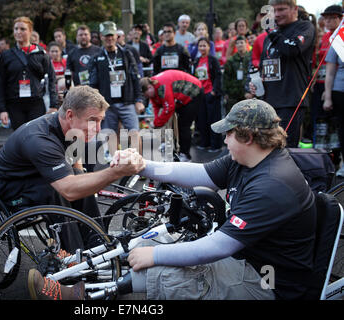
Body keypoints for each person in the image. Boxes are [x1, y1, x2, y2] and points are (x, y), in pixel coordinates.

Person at [125, 98, 317, 300]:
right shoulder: (249, 158)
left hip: (268, 280)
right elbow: (198, 173)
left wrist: (156, 256)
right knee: (148, 244)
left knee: (167, 277)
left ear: (248, 137)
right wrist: (143, 165)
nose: (224, 140)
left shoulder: (271, 185)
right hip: (245, 259)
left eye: (229, 133)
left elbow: (219, 246)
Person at [0, 86, 144, 250]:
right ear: (70, 115)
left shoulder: (72, 127)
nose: (99, 128)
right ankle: (72, 258)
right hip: (4, 188)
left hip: (31, 176)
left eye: (101, 120)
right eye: (93, 120)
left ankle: (98, 244)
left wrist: (82, 177)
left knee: (80, 179)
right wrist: (116, 172)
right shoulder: (40, 140)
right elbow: (68, 190)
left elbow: (76, 161)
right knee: (59, 190)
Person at [250, 0, 315, 148]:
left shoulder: (304, 27)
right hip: (268, 102)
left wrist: (272, 31)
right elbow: (263, 66)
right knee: (265, 148)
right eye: (273, 11)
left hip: (290, 101)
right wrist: (256, 83)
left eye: (281, 9)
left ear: (295, 9)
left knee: (284, 149)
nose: (277, 14)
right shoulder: (268, 37)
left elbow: (291, 49)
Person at [89, 21, 145, 155]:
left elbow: (135, 77)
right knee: (110, 135)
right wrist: (96, 106)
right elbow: (93, 84)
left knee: (134, 132)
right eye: (106, 35)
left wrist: (139, 99)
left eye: (111, 35)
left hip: (127, 101)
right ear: (101, 37)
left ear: (116, 36)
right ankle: (115, 166)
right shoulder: (96, 58)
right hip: (107, 104)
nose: (109, 38)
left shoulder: (126, 53)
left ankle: (141, 166)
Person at [0, 16, 57, 129]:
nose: (18, 32)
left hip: (36, 103)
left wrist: (53, 105)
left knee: (36, 136)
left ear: (30, 31)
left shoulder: (40, 54)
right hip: (14, 104)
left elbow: (52, 79)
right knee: (19, 138)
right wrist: (2, 109)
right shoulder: (6, 56)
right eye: (16, 29)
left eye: (22, 29)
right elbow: (0, 84)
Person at [140, 70, 204, 162]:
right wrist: (157, 122)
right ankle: (172, 146)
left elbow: (169, 108)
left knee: (183, 125)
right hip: (181, 95)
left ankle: (185, 155)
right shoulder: (154, 88)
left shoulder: (162, 87)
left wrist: (157, 124)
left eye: (146, 95)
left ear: (150, 87)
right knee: (174, 123)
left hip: (194, 92)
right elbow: (156, 106)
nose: (146, 97)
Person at [311, 5, 343, 150]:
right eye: (326, 18)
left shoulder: (338, 36)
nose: (328, 21)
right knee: (324, 122)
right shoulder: (327, 38)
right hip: (327, 85)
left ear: (341, 19)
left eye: (332, 18)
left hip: (332, 85)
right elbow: (325, 65)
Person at [192, 37, 223, 152]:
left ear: (209, 47)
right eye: (200, 46)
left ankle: (216, 145)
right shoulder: (196, 61)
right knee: (202, 120)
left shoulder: (213, 60)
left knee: (214, 120)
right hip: (200, 95)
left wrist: (214, 91)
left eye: (204, 45)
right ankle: (205, 143)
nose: (202, 48)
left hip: (211, 94)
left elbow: (218, 76)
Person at [323, 30, 344, 177]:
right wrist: (328, 96)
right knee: (343, 130)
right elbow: (330, 72)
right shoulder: (340, 37)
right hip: (341, 91)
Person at [223, 35, 252, 112]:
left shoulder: (250, 58)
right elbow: (226, 77)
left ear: (246, 44)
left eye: (242, 42)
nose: (240, 45)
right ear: (235, 45)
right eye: (238, 43)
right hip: (234, 94)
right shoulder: (231, 60)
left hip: (248, 94)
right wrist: (226, 92)